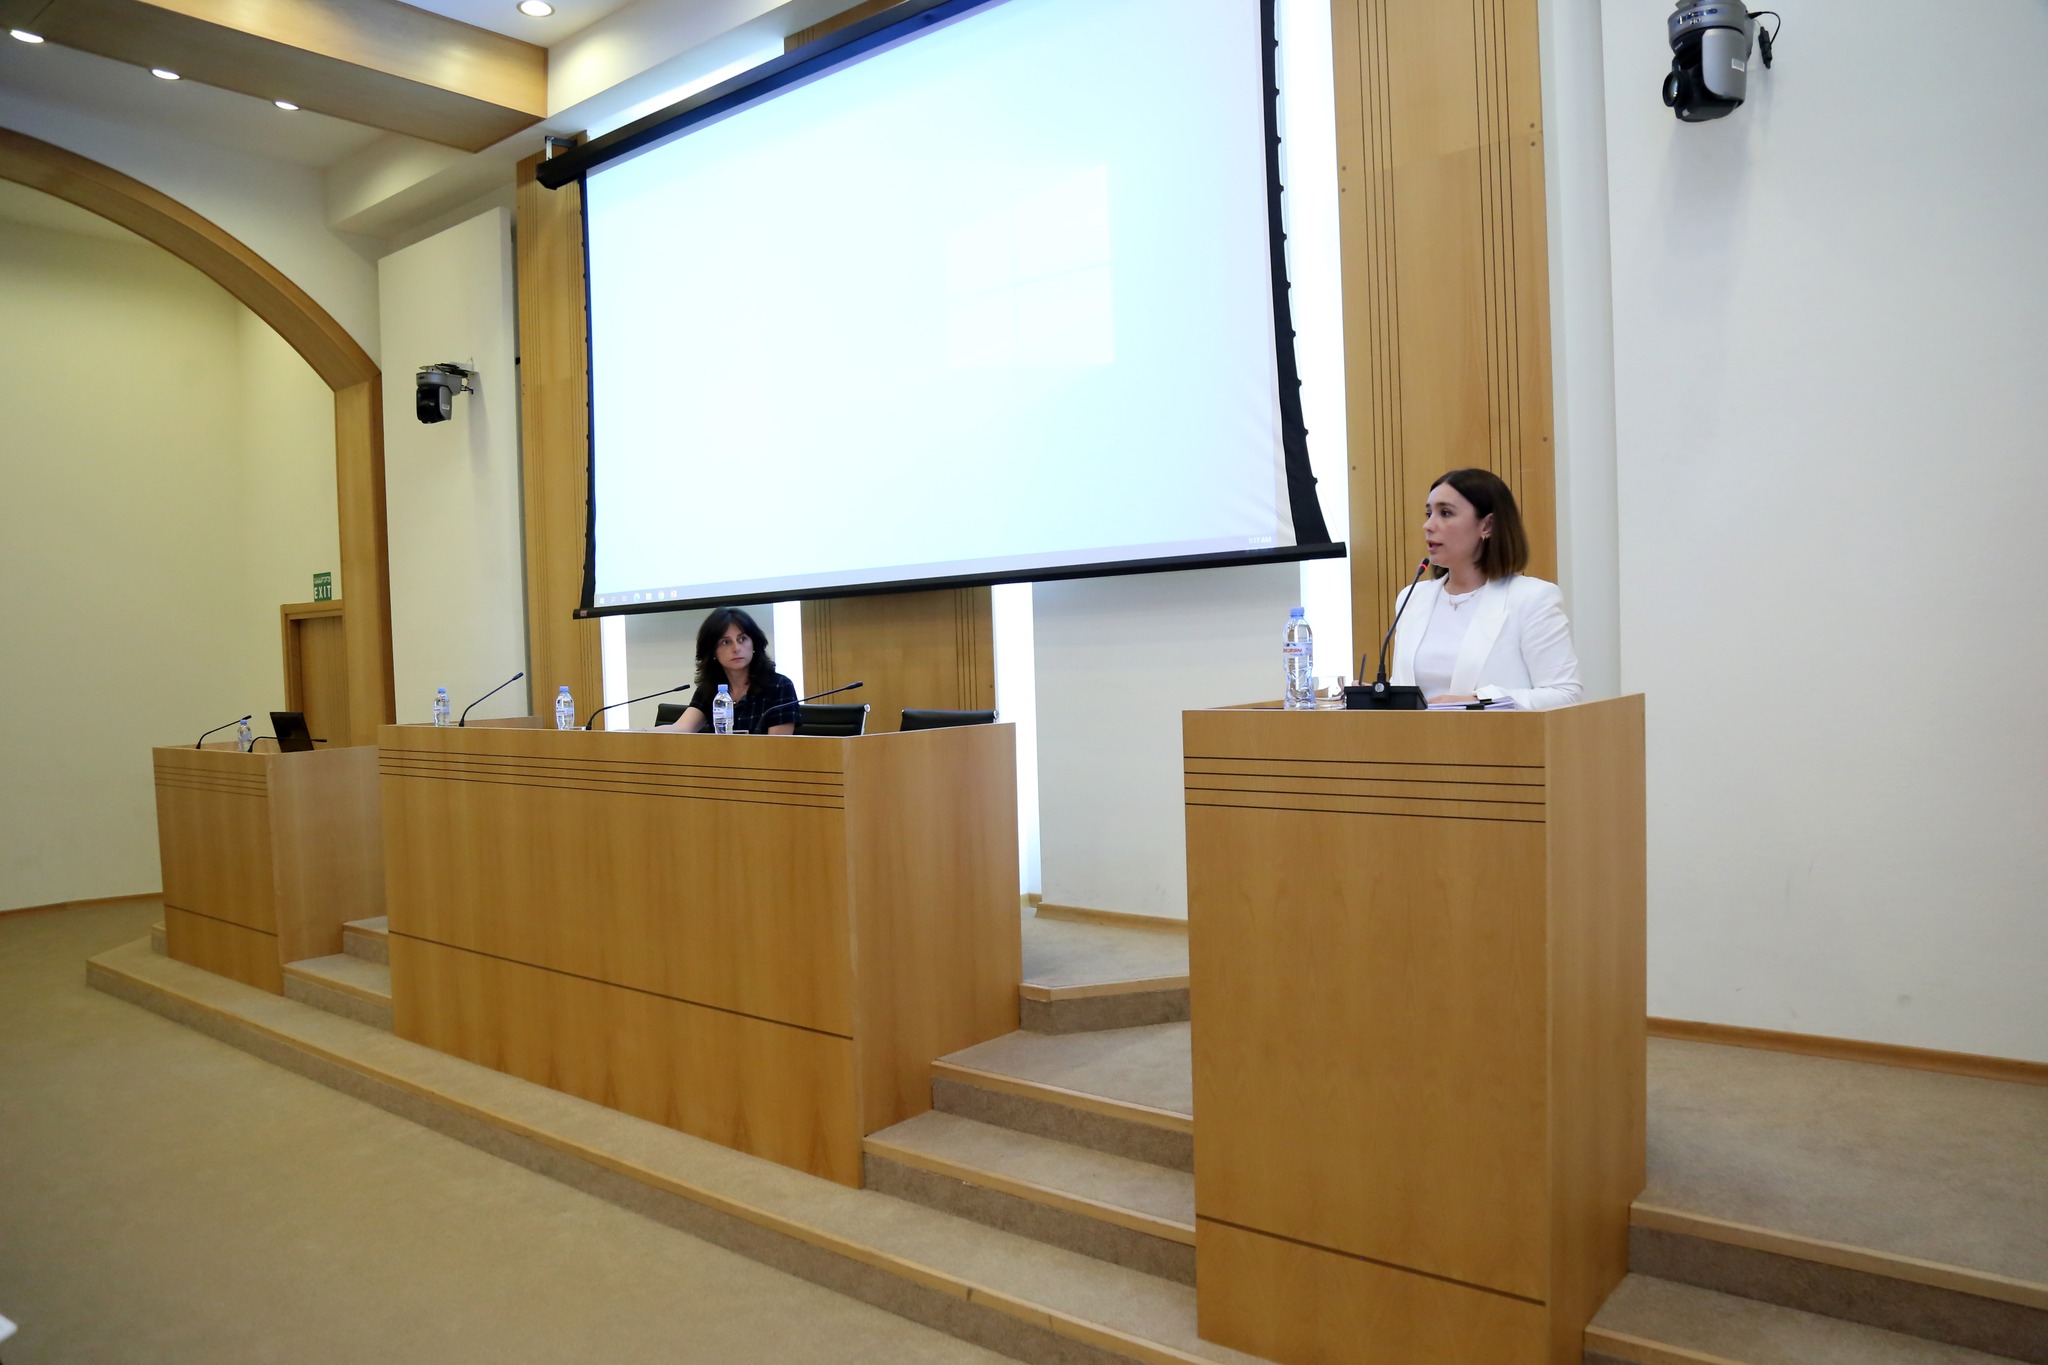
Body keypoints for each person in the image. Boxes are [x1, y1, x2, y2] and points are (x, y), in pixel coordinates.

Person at [1388, 468, 1583, 710]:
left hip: (1493, 734)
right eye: (1429, 513)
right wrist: (1378, 696)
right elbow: (1408, 688)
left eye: (1445, 513)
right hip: (1416, 735)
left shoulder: (1532, 598)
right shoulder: (1412, 597)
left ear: (1487, 525)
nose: (1428, 525)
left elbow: (1565, 694)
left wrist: (1480, 700)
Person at [661, 606, 800, 734]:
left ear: (754, 644)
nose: (736, 648)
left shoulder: (779, 686)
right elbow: (682, 728)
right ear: (713, 651)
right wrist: (647, 733)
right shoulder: (709, 689)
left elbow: (777, 747)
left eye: (742, 639)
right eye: (726, 642)